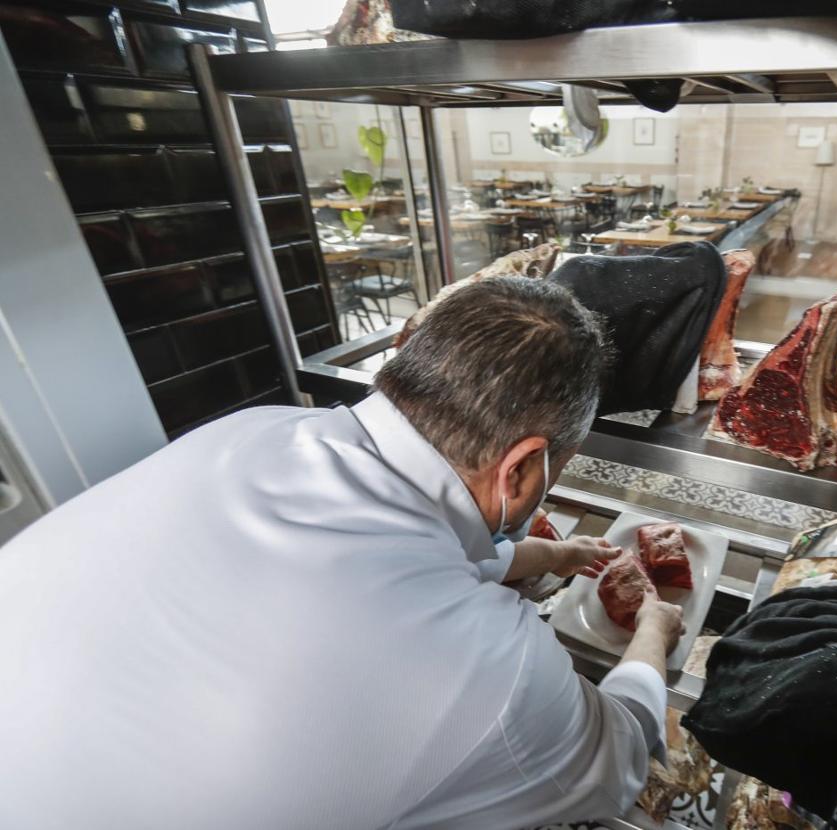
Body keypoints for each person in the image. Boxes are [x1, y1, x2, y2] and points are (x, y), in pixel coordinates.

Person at [0, 277, 684, 829]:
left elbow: (385, 568)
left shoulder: (258, 428)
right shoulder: (489, 671)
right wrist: (653, 633)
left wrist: (544, 559)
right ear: (525, 471)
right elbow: (615, 761)